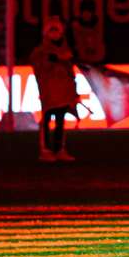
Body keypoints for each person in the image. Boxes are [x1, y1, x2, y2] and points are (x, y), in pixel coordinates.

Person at [30, 16, 78, 164]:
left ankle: (59, 149)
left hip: (63, 94)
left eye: (56, 29)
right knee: (46, 121)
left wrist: (73, 93)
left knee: (60, 122)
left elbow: (71, 75)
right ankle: (46, 150)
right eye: (51, 30)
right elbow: (41, 64)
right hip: (49, 93)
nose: (54, 33)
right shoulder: (40, 52)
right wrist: (59, 58)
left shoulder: (67, 52)